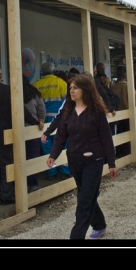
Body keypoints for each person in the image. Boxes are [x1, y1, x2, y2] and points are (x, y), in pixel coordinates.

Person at [47, 74, 117, 239]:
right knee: (88, 195)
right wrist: (53, 155)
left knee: (84, 201)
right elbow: (61, 137)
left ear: (85, 90)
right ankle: (99, 225)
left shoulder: (97, 112)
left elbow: (106, 139)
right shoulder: (68, 112)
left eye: (75, 88)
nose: (71, 91)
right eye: (70, 88)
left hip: (94, 161)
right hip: (75, 161)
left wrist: (112, 163)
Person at [0, 65, 39, 206]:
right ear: (0, 75)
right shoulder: (7, 90)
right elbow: (21, 111)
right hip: (5, 135)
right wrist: (35, 122)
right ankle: (6, 196)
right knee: (6, 166)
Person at [34, 62, 71, 180]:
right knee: (63, 145)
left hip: (43, 122)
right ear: (53, 71)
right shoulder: (61, 83)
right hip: (59, 120)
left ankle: (51, 172)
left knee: (47, 148)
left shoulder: (37, 85)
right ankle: (65, 171)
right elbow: (69, 102)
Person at [110, 65, 136, 156]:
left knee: (118, 134)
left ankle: (119, 151)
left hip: (116, 116)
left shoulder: (113, 88)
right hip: (127, 114)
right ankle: (127, 152)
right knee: (128, 133)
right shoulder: (129, 87)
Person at [23, 75, 46, 192]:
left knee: (20, 158)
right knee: (33, 157)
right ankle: (33, 184)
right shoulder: (34, 93)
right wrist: (41, 121)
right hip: (33, 129)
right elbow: (42, 108)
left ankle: (21, 185)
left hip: (18, 130)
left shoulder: (12, 93)